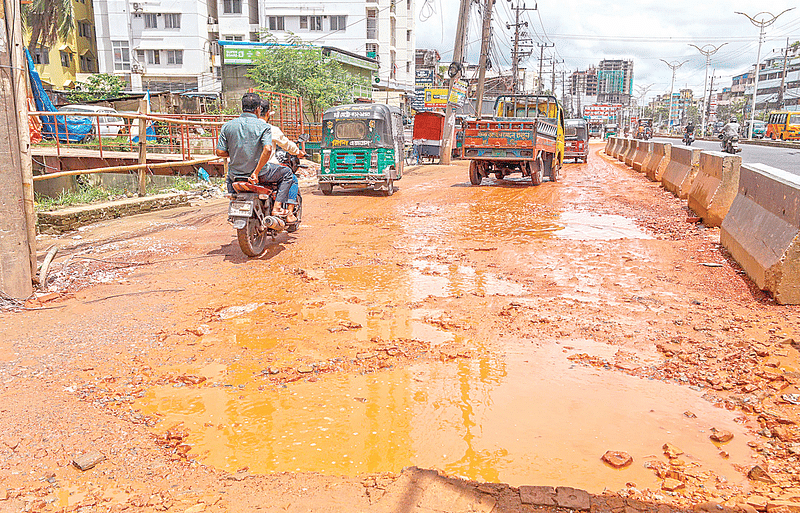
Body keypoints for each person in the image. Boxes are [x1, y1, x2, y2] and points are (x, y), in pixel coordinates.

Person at [215, 93, 272, 196]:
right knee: (287, 174)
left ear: (242, 107)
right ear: (258, 109)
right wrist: (256, 172)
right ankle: (277, 206)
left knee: (230, 184)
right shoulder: (264, 126)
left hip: (234, 176)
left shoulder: (227, 126)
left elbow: (220, 152)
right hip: (259, 174)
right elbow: (267, 149)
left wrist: (236, 152)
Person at [257, 99, 305, 223]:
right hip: (266, 169)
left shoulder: (244, 128)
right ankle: (287, 212)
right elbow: (287, 145)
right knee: (291, 177)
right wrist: (298, 152)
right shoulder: (270, 129)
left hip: (244, 169)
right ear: (267, 113)